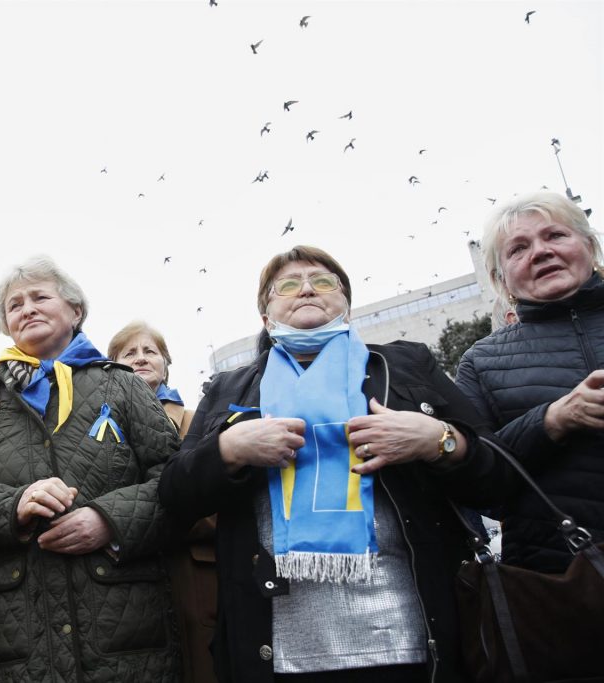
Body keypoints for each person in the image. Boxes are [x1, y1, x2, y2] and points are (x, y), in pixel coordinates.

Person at [159, 246, 508, 682]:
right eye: (287, 285)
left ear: (345, 303)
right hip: (278, 649)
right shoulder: (229, 389)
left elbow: (500, 478)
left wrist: (438, 440)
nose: (306, 288)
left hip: (413, 638)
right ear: (266, 317)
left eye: (323, 282)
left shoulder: (405, 366)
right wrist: (228, 452)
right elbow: (173, 493)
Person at [0, 256, 182, 681]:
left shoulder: (122, 385)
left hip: (126, 635)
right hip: (15, 642)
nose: (26, 308)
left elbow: (174, 480)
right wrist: (13, 506)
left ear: (75, 311)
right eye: (14, 305)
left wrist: (109, 520)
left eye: (39, 297)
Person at [456, 191, 604, 573]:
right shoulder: (480, 363)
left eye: (555, 236)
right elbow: (474, 484)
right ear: (500, 279)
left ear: (590, 247)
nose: (540, 252)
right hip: (566, 585)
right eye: (518, 249)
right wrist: (552, 420)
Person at [108, 321, 214, 683]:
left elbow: (215, 499)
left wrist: (151, 521)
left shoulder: (196, 420)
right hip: (126, 576)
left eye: (149, 351)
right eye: (129, 353)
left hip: (189, 572)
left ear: (166, 364)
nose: (140, 359)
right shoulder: (98, 429)